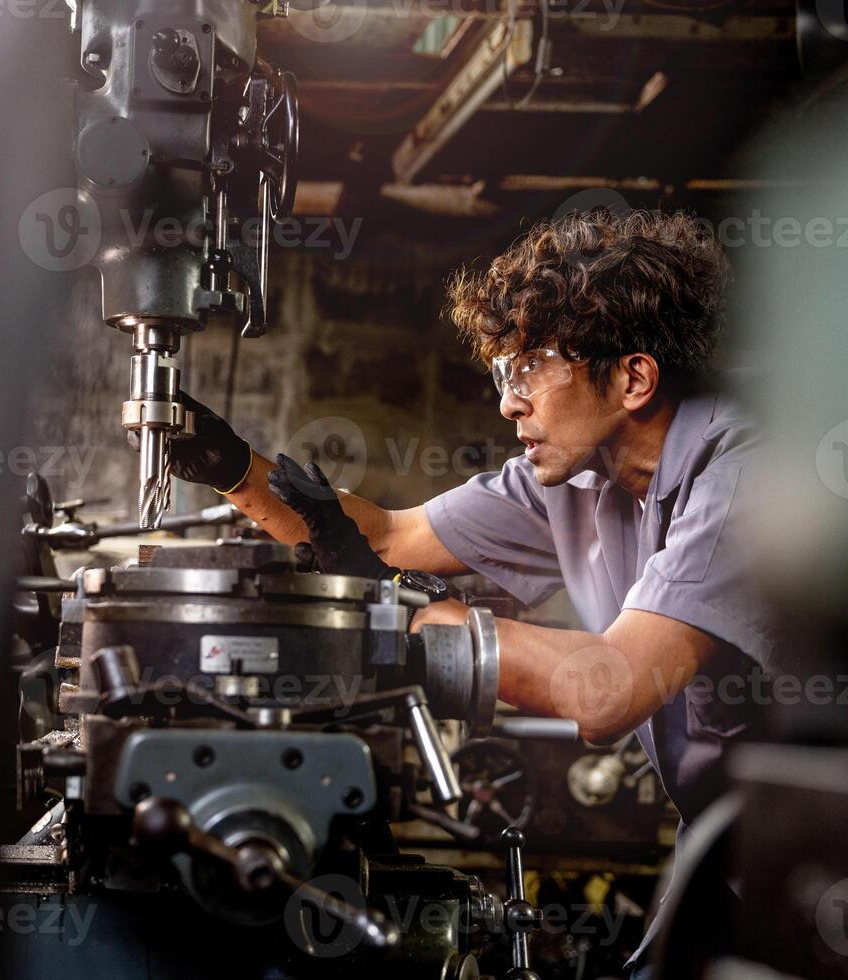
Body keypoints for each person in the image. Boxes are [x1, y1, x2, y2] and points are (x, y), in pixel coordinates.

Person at [166, 209, 774, 973]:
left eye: (528, 370)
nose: (507, 402)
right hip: (723, 854)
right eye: (503, 373)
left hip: (827, 861)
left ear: (632, 377)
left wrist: (407, 621)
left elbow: (611, 689)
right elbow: (385, 540)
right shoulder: (575, 478)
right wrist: (235, 470)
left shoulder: (745, 479)